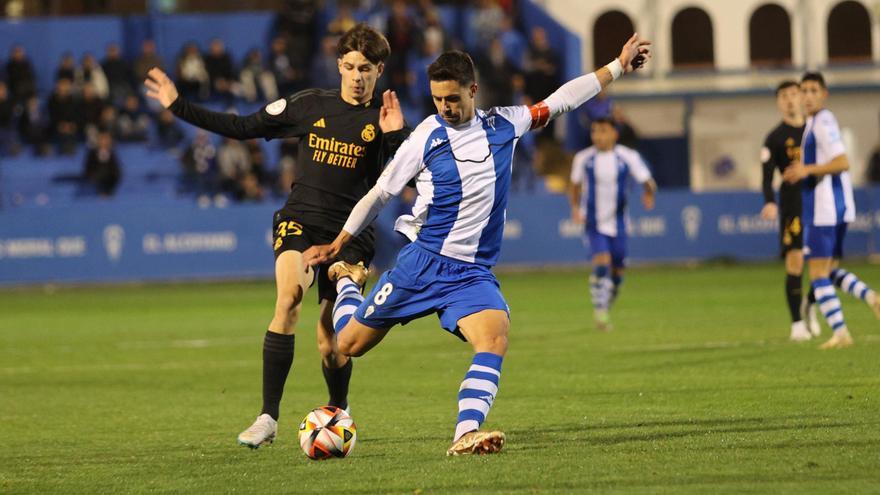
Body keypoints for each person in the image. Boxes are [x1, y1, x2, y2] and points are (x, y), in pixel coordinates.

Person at [303, 35, 651, 455]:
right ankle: (347, 282)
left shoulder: (504, 124)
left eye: (451, 98)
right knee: (347, 345)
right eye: (436, 99)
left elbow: (561, 100)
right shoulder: (426, 137)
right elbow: (380, 193)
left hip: (470, 274)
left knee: (495, 337)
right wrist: (340, 243)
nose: (444, 108)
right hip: (422, 265)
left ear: (472, 90)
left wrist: (617, 64)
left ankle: (464, 433)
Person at [144, 24, 408, 448]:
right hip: (300, 223)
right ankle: (268, 417)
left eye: (367, 69)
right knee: (288, 299)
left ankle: (338, 411)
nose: (358, 77)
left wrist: (397, 135)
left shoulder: (385, 120)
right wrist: (179, 105)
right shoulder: (308, 105)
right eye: (351, 66)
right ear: (339, 65)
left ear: (380, 71)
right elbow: (241, 126)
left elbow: (412, 174)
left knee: (332, 343)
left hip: (349, 235)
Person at [783, 72, 880, 349]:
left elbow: (842, 162)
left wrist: (806, 170)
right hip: (835, 206)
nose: (809, 95)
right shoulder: (815, 123)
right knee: (829, 269)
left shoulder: (823, 121)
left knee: (817, 274)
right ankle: (872, 297)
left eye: (815, 90)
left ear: (824, 94)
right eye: (805, 90)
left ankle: (840, 333)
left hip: (825, 209)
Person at [569, 117, 656, 331]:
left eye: (603, 131)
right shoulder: (583, 158)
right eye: (595, 131)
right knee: (602, 263)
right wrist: (575, 208)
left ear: (614, 134)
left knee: (617, 274)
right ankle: (600, 312)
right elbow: (574, 185)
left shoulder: (627, 157)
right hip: (594, 222)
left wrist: (649, 194)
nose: (598, 136)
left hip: (618, 224)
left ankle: (605, 302)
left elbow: (647, 180)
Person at [758, 81, 813, 341]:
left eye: (794, 94)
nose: (790, 100)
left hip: (819, 200)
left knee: (825, 260)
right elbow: (767, 177)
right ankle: (797, 324)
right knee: (795, 262)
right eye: (784, 96)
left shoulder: (816, 129)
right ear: (778, 102)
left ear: (801, 97)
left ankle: (810, 303)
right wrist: (769, 201)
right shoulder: (775, 137)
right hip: (793, 204)